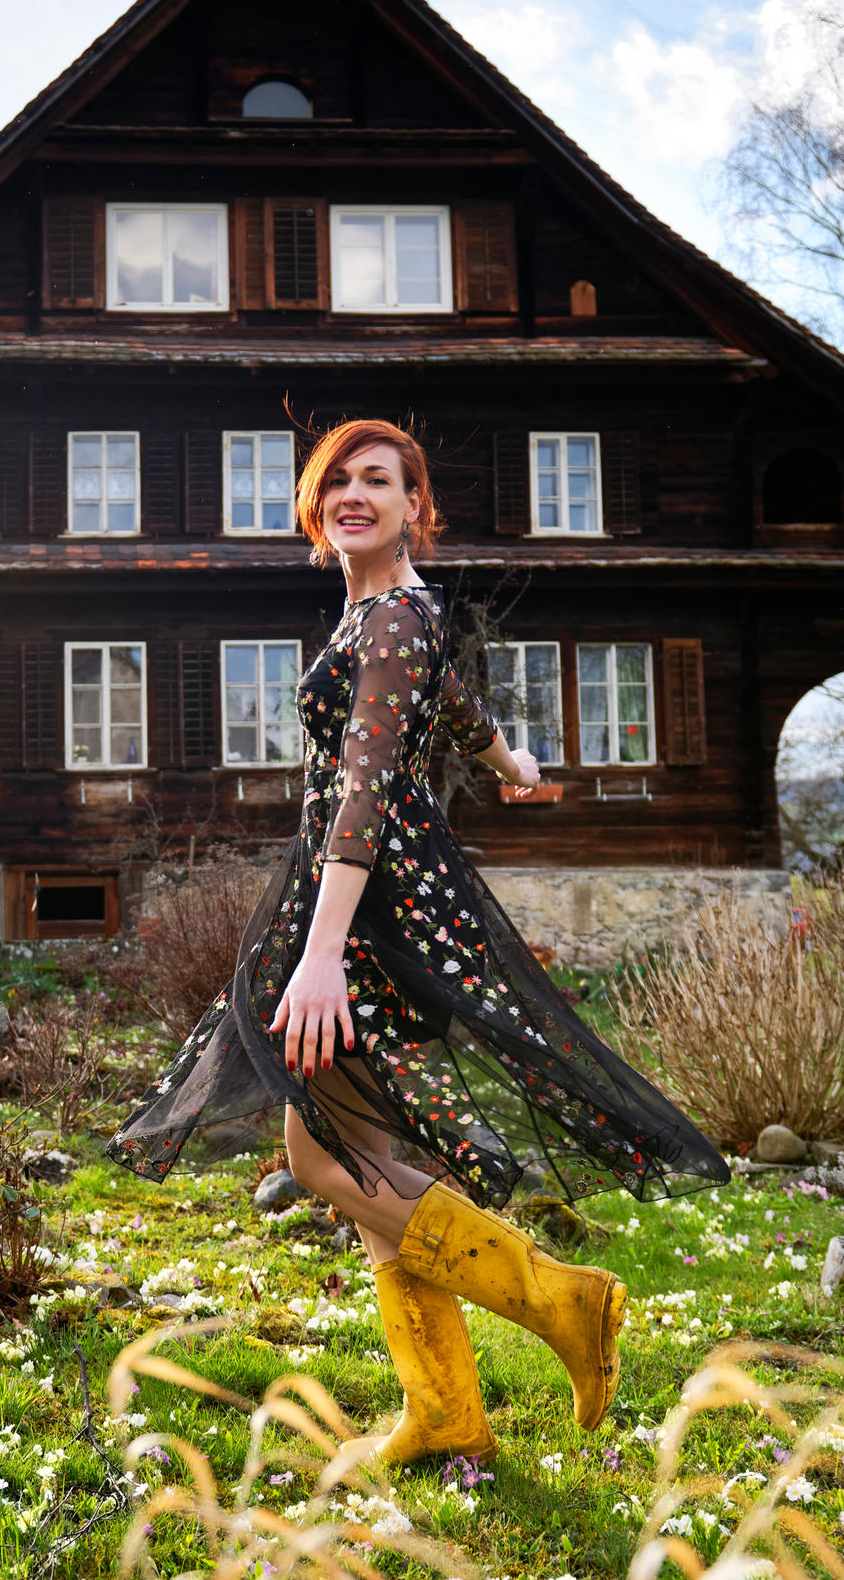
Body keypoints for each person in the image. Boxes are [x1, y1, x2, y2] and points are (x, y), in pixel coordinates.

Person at [109, 418, 731, 1470]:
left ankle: (561, 1301)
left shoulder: (390, 618)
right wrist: (509, 759)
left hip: (363, 905)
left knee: (323, 1151)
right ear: (316, 508)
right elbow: (444, 701)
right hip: (377, 897)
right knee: (365, 1155)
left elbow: (365, 784)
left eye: (379, 482)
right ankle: (445, 1410)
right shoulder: (388, 618)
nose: (355, 495)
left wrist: (317, 951)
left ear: (414, 508)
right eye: (337, 481)